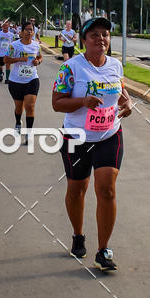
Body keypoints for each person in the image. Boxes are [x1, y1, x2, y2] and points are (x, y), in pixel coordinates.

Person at [52, 17, 132, 271]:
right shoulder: (71, 68)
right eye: (94, 34)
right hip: (77, 136)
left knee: (106, 189)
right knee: (77, 189)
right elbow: (57, 103)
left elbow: (120, 92)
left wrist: (127, 105)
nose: (101, 39)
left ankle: (103, 249)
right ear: (83, 40)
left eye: (105, 34)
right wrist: (83, 102)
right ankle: (78, 234)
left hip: (109, 135)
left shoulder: (115, 66)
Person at [4, 22, 43, 143]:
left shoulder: (36, 45)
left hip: (32, 79)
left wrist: (38, 61)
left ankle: (29, 134)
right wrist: (19, 59)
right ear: (22, 31)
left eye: (32, 30)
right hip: (16, 81)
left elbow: (40, 57)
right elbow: (6, 60)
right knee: (19, 107)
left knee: (30, 106)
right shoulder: (14, 46)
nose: (30, 32)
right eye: (27, 29)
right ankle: (17, 122)